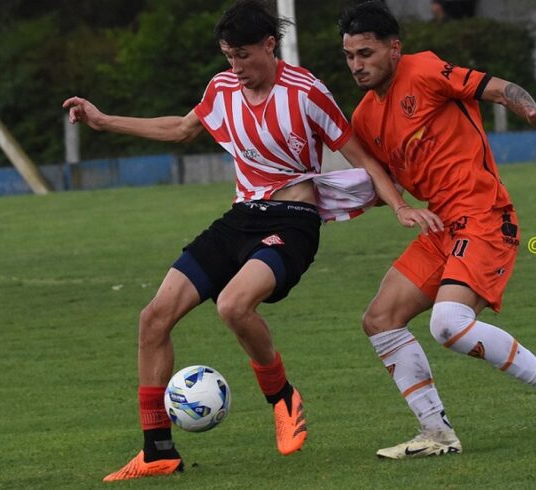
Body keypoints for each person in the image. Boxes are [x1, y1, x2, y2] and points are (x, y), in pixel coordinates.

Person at [64, 0, 440, 481]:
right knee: (153, 318)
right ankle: (157, 449)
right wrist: (103, 120)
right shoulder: (222, 88)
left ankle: (282, 396)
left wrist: (402, 205)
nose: (235, 67)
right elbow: (181, 128)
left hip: (294, 221)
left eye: (243, 55)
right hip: (241, 218)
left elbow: (359, 154)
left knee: (233, 306)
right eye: (228, 56)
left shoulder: (306, 91)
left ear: (269, 44)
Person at [338, 1, 536, 459]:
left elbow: (496, 88)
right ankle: (436, 433)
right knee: (379, 320)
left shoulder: (425, 69)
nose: (357, 65)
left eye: (366, 53)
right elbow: (377, 179)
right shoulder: (364, 119)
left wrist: (530, 111)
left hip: (485, 213)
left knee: (448, 325)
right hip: (441, 224)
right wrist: (388, 205)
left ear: (394, 49)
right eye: (350, 56)